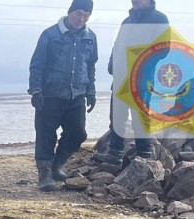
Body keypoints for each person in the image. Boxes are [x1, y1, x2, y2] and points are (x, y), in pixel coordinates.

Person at [28, 0, 99, 192]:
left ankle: (56, 165)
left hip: (76, 95)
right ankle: (44, 175)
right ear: (70, 12)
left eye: (86, 15)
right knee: (45, 135)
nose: (81, 19)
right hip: (50, 94)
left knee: (78, 133)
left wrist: (91, 91)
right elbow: (37, 65)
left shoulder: (90, 37)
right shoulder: (50, 35)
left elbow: (90, 66)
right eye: (78, 14)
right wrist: (35, 90)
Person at [94, 0, 170, 166]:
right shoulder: (126, 21)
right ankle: (114, 153)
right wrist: (112, 64)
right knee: (117, 116)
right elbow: (117, 44)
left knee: (140, 117)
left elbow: (164, 49)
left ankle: (144, 153)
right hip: (120, 77)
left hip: (142, 78)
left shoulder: (159, 19)